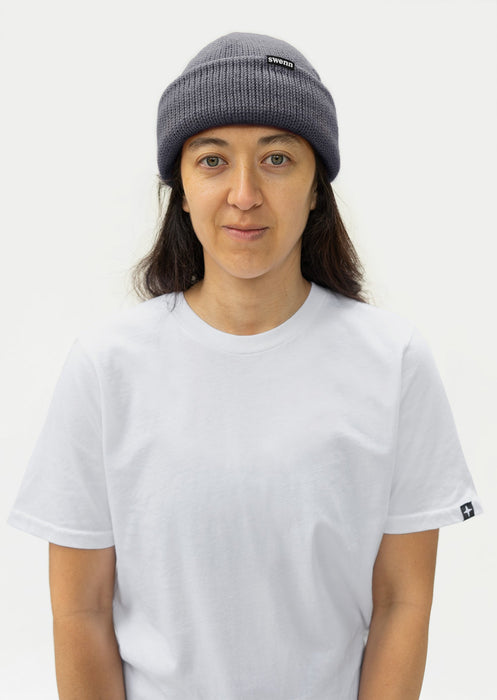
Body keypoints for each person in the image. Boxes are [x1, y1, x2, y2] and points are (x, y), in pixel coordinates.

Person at [7, 32, 482, 700]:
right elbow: (80, 610)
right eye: (212, 161)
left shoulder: (392, 361)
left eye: (277, 158)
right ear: (180, 189)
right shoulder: (107, 367)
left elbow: (402, 599)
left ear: (316, 187)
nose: (244, 193)